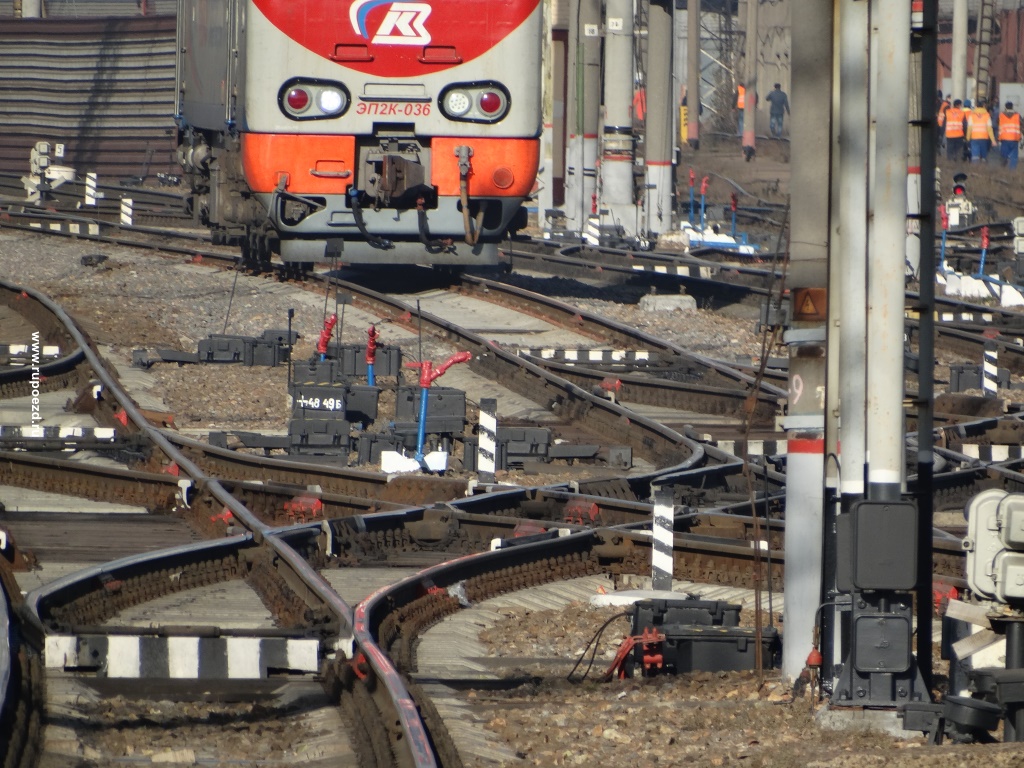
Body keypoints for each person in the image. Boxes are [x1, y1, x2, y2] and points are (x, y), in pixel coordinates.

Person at [967, 98, 997, 162]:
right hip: (984, 138)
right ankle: (983, 168)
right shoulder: (987, 115)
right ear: (983, 106)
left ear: (976, 107)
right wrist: (993, 140)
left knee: (975, 156)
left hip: (974, 137)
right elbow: (989, 129)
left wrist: (967, 138)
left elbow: (969, 128)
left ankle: (975, 169)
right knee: (984, 155)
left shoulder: (972, 115)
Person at [999, 101, 1021, 170]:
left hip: (1004, 138)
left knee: (1004, 154)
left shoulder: (1001, 115)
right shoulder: (1017, 115)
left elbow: (998, 124)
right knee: (1014, 156)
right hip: (1014, 138)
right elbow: (1022, 125)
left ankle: (1003, 168)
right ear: (1012, 107)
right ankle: (1012, 171)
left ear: (1005, 107)